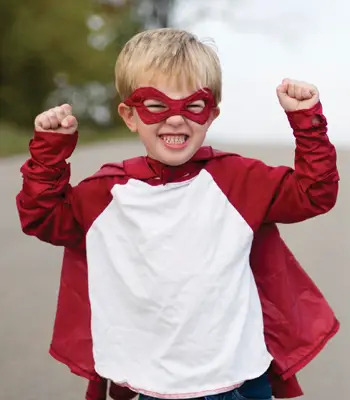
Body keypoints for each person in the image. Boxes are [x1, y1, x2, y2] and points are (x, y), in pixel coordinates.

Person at [16, 28, 340, 400]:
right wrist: (49, 154)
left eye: (193, 105)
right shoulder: (106, 193)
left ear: (212, 113)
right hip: (153, 383)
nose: (174, 119)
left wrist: (308, 123)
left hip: (240, 377)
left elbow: (314, 193)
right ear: (130, 115)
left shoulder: (239, 180)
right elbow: (41, 217)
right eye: (155, 105)